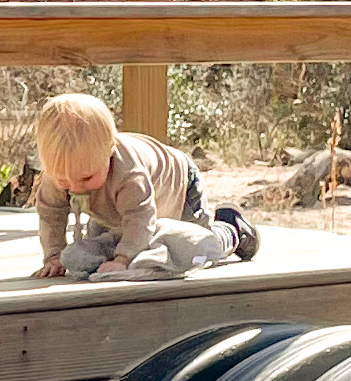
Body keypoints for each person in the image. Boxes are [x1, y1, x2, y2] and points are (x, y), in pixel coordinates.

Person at [30, 89, 255, 278]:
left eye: (86, 178)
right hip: (117, 208)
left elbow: (140, 217)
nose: (76, 188)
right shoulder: (62, 169)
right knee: (103, 243)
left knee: (196, 246)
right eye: (63, 181)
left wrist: (123, 259)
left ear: (110, 150)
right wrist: (54, 257)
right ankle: (121, 242)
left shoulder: (129, 174)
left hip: (179, 187)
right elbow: (51, 214)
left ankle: (232, 228)